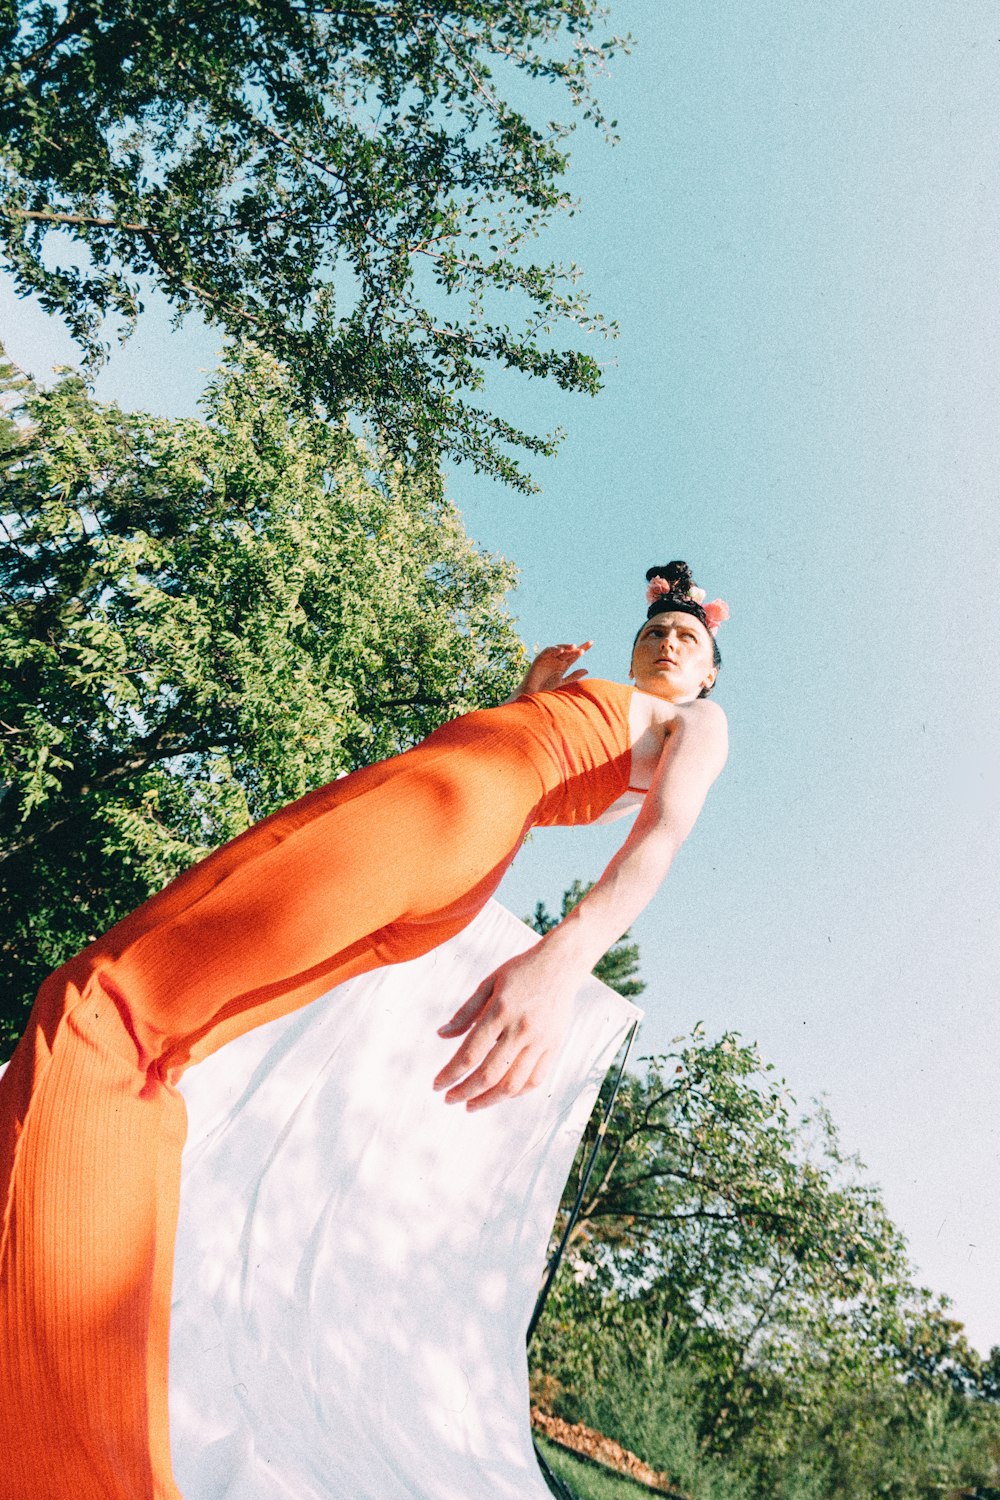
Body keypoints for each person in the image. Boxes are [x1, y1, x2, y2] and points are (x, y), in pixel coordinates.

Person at [0, 560, 729, 1500]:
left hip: (443, 817)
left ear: (708, 674)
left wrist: (561, 962)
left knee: (102, 1017)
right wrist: (529, 700)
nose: (668, 640)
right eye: (656, 631)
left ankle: (54, 1457)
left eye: (689, 640)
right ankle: (80, 1451)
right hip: (453, 824)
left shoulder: (699, 724)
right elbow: (533, 767)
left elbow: (661, 832)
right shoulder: (601, 707)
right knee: (151, 1056)